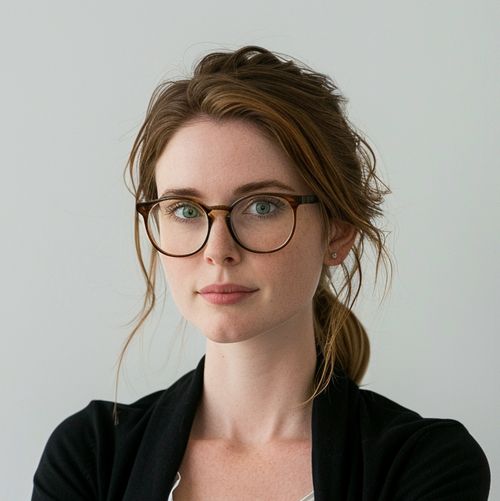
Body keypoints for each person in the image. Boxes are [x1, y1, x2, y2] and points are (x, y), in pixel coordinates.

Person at [31, 45, 490, 500]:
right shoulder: (91, 455)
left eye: (262, 206)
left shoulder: (424, 463)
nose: (218, 251)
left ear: (337, 231)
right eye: (185, 209)